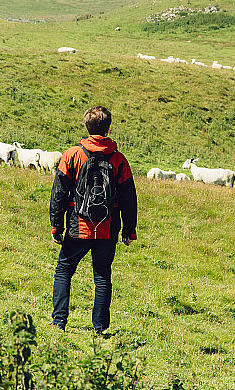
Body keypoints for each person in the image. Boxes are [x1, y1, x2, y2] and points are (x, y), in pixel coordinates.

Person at [49, 105, 137, 334]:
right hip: (108, 228)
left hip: (78, 226)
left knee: (64, 270)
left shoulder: (72, 155)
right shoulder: (119, 159)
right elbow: (128, 197)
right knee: (102, 276)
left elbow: (59, 193)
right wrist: (129, 230)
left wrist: (56, 225)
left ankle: (59, 322)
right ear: (108, 128)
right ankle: (99, 328)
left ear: (86, 126)